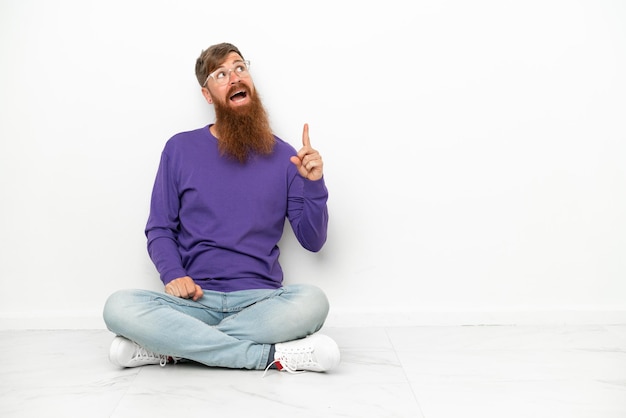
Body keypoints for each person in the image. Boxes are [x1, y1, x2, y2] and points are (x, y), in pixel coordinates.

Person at [102, 42, 340, 374]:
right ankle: (268, 357)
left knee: (314, 302)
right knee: (118, 306)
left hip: (261, 302)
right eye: (221, 73)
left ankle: (171, 349)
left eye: (240, 68)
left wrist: (314, 184)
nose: (234, 77)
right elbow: (160, 228)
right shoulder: (180, 149)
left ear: (250, 82)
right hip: (194, 301)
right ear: (208, 95)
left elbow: (313, 241)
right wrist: (174, 275)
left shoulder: (286, 158)